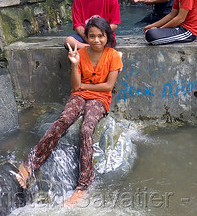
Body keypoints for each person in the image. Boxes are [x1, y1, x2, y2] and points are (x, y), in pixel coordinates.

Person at [16, 17, 123, 206]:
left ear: (107, 37)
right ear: (86, 36)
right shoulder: (80, 53)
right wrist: (74, 64)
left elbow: (108, 86)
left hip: (99, 99)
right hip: (79, 95)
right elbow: (75, 86)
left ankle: (83, 186)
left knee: (86, 130)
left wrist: (84, 86)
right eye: (92, 36)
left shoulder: (113, 55)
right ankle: (29, 164)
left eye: (100, 36)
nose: (96, 40)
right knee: (64, 120)